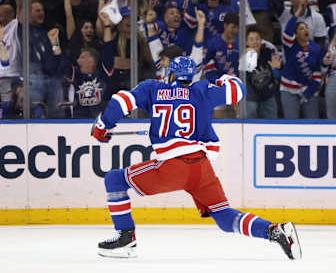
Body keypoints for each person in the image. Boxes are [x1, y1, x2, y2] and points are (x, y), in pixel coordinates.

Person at [91, 56, 302, 260]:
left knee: (115, 180)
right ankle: (275, 231)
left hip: (173, 166)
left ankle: (126, 238)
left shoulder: (152, 88)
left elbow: (122, 100)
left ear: (171, 73)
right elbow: (238, 90)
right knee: (224, 217)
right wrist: (222, 79)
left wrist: (103, 124)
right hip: (201, 166)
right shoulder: (201, 90)